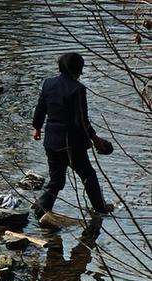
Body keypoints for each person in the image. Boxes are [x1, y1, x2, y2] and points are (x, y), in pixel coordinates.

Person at [32, 52, 113, 222]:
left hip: (52, 141)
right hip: (72, 143)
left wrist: (37, 128)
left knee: (56, 179)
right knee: (88, 175)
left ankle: (42, 208)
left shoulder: (48, 84)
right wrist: (95, 139)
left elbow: (41, 108)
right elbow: (81, 120)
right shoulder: (78, 89)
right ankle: (100, 209)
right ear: (78, 70)